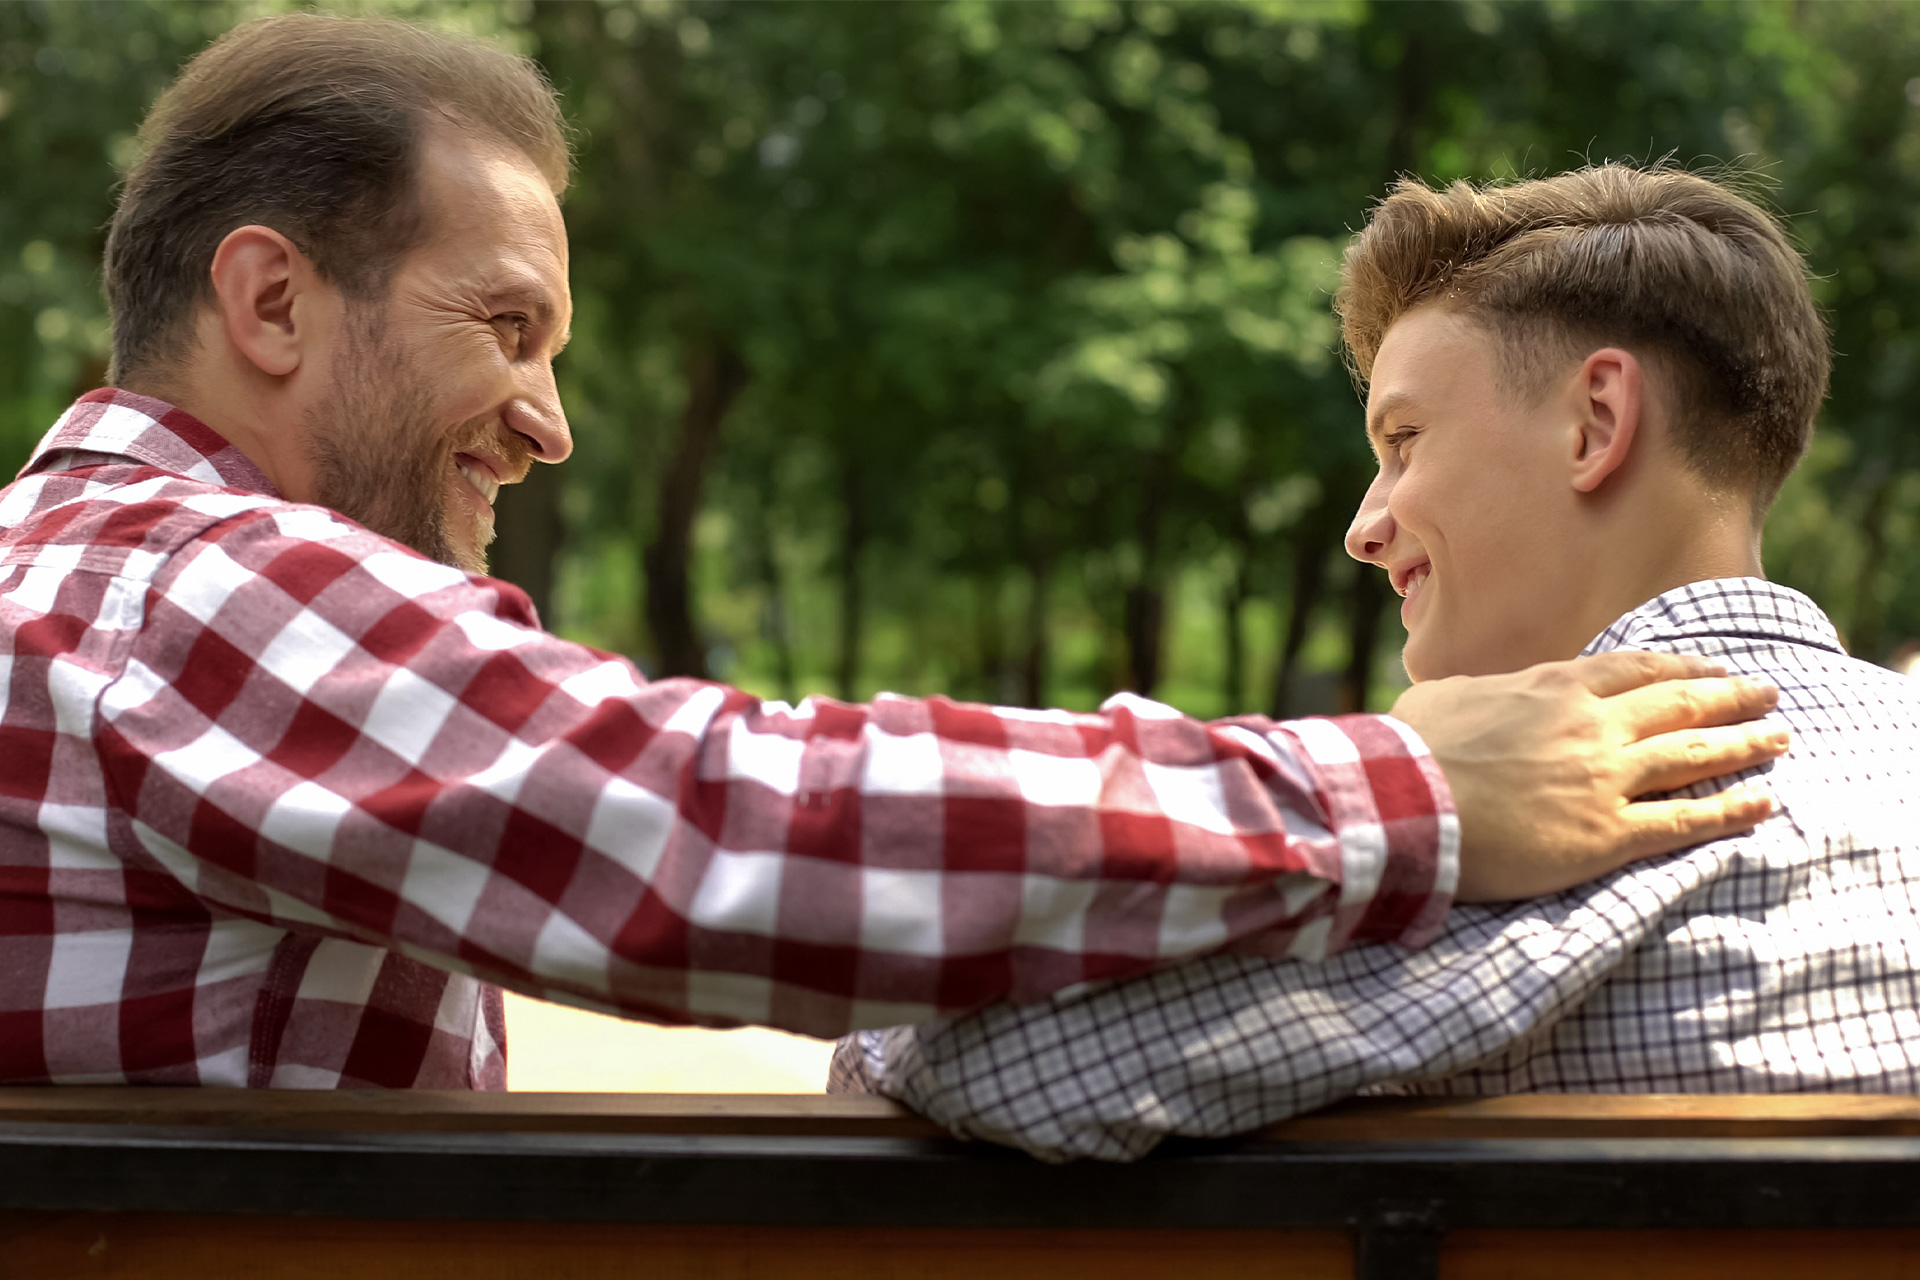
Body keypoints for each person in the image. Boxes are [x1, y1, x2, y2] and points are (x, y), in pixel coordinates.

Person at [0, 18, 1781, 1090]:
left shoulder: (77, 580)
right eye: (510, 326)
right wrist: (1389, 795)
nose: (549, 421)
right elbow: (706, 823)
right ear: (271, 300)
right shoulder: (178, 595)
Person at [831, 163, 1920, 1161]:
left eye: (1404, 443)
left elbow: (963, 1052)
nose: (1365, 526)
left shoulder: (1553, 839)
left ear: (1596, 422)